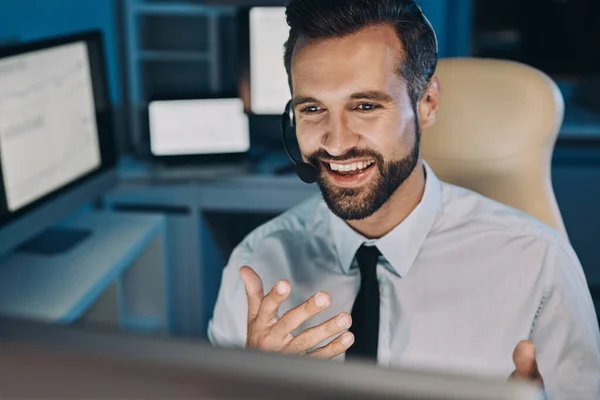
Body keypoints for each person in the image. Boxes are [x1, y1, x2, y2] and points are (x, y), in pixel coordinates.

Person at [209, 0, 600, 398]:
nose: (337, 142)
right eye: (312, 109)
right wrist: (252, 387)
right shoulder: (257, 265)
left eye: (365, 106)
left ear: (427, 104)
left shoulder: (539, 264)